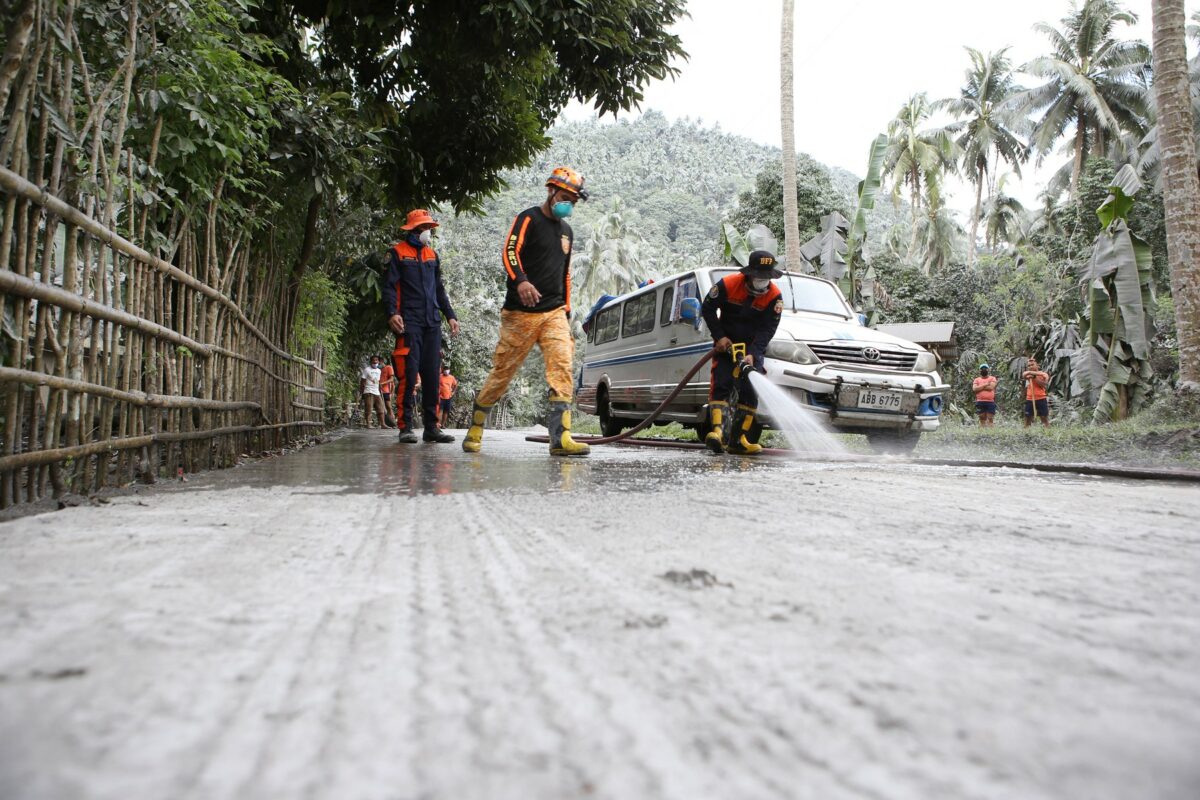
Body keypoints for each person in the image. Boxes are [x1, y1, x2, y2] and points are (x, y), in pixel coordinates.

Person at [462, 167, 592, 456]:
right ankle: (476, 427)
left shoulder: (567, 232)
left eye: (573, 200)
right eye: (565, 196)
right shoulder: (528, 218)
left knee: (562, 367)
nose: (568, 203)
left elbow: (565, 274)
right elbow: (510, 251)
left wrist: (567, 309)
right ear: (551, 191)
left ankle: (561, 439)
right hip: (520, 313)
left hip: (554, 312)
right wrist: (521, 280)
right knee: (502, 373)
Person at [383, 209, 460, 444]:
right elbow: (388, 287)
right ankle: (405, 426)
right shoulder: (397, 253)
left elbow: (439, 289)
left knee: (431, 376)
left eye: (429, 228)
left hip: (432, 323)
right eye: (425, 228)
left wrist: (450, 315)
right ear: (415, 230)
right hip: (409, 323)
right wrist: (391, 314)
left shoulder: (432, 256)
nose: (428, 232)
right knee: (407, 375)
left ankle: (431, 428)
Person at [700, 250, 783, 455]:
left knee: (750, 391)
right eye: (759, 276)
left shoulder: (774, 297)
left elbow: (768, 329)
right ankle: (717, 434)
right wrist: (719, 337)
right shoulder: (728, 284)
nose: (763, 281)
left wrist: (754, 353)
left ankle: (738, 440)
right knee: (721, 384)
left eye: (767, 277)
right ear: (749, 274)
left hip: (752, 347)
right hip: (726, 344)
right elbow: (708, 308)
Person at [359, 355, 388, 429]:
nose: (375, 362)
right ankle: (368, 424)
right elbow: (363, 381)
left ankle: (383, 424)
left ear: (378, 361)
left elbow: (377, 381)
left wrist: (379, 387)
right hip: (368, 391)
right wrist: (362, 391)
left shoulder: (379, 371)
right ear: (371, 361)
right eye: (373, 360)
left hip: (377, 392)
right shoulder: (367, 370)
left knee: (381, 408)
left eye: (376, 360)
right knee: (369, 408)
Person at [1022, 357, 1051, 428]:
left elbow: (1044, 384)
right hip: (1030, 399)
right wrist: (1030, 373)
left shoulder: (1044, 374)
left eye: (1032, 365)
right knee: (1027, 418)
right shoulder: (1028, 374)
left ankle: (1048, 433)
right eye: (1029, 366)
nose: (1030, 367)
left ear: (1037, 365)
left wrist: (1035, 377)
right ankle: (1026, 435)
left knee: (1044, 418)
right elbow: (1024, 374)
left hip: (1041, 398)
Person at [379, 360, 397, 428]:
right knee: (381, 408)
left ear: (382, 361)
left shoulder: (388, 367)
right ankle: (383, 423)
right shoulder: (378, 370)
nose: (378, 364)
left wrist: (382, 384)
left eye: (379, 363)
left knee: (389, 407)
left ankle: (393, 422)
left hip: (386, 391)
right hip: (378, 391)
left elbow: (391, 379)